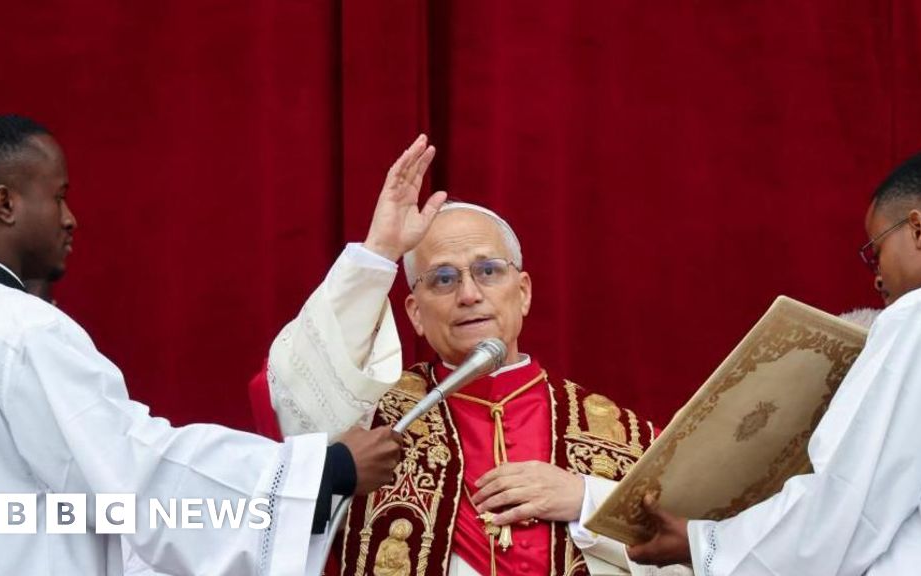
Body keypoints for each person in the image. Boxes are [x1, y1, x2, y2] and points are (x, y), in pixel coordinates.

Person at [0, 114, 401, 575]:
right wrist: (324, 472)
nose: (70, 218)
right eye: (59, 197)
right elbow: (133, 477)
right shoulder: (18, 330)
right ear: (5, 203)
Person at [251, 135, 690, 575]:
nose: (469, 294)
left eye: (488, 271)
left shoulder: (621, 436)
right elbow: (292, 393)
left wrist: (586, 500)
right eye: (443, 279)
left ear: (523, 293)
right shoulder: (373, 422)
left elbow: (696, 547)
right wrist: (379, 251)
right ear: (415, 313)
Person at [626, 149, 921, 575]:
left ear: (917, 228)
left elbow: (849, 500)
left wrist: (705, 543)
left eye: (875, 252)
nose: (877, 277)